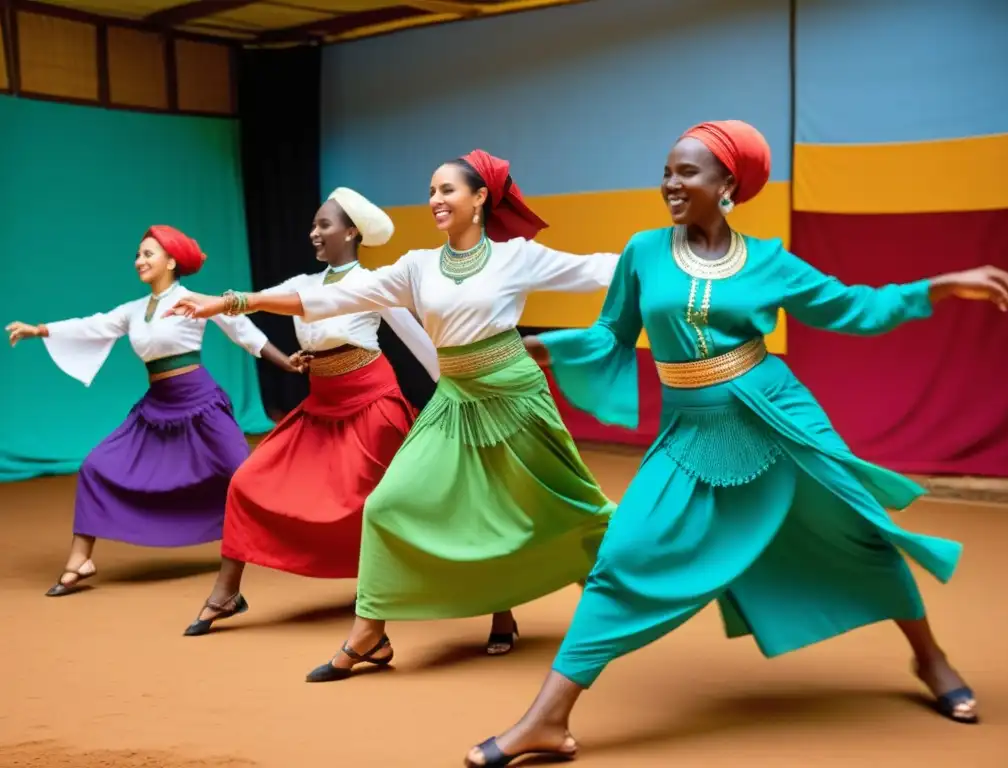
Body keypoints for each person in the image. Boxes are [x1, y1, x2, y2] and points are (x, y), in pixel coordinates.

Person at [463, 120, 1008, 766]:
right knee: (622, 557)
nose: (670, 183)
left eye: (686, 172)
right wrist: (545, 348)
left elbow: (855, 308)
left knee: (861, 530)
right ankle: (545, 721)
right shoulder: (644, 252)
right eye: (667, 170)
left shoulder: (769, 262)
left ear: (726, 183)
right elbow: (610, 336)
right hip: (689, 434)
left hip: (778, 421)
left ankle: (931, 660)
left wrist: (938, 287)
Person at [165, 149, 619, 678]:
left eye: (447, 190)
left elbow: (599, 270)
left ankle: (626, 594)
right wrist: (233, 302)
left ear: (480, 199)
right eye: (431, 191)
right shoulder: (417, 266)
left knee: (569, 506)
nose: (435, 200)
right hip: (454, 401)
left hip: (514, 397)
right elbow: (329, 299)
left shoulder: (516, 256)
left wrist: (672, 259)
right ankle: (370, 637)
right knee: (384, 506)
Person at [183, 188, 440, 636]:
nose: (314, 232)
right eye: (314, 224)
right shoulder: (303, 284)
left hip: (372, 404)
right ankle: (227, 592)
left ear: (351, 232)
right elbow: (259, 298)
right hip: (320, 405)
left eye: (324, 224)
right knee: (247, 481)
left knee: (385, 502)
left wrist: (456, 387)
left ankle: (448, 587)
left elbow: (420, 342)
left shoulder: (373, 283)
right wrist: (212, 302)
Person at [5, 225, 297, 597]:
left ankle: (284, 538)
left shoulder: (196, 299)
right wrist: (39, 330)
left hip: (200, 402)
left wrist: (286, 362)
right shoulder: (133, 311)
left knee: (242, 472)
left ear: (172, 261)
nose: (139, 260)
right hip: (156, 408)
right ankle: (80, 559)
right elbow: (91, 325)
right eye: (138, 255)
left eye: (148, 254)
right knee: (96, 466)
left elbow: (244, 330)